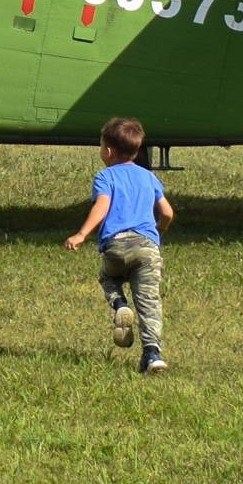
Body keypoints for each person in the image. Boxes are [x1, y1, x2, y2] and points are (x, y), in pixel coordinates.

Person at [64, 115, 173, 374]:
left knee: (109, 278)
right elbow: (167, 213)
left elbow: (102, 206)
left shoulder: (105, 176)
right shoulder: (148, 178)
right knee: (149, 302)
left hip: (116, 245)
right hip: (146, 248)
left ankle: (120, 306)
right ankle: (152, 354)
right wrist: (158, 232)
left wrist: (82, 234)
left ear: (108, 151)